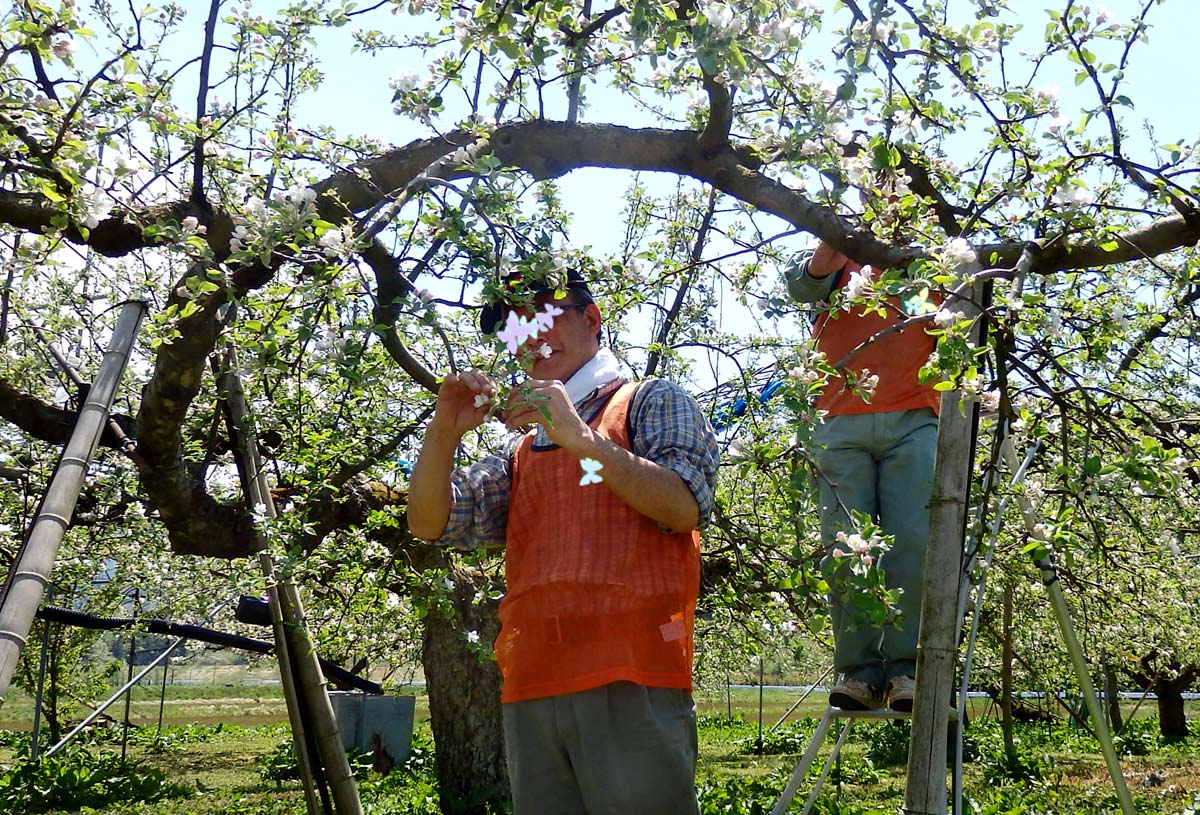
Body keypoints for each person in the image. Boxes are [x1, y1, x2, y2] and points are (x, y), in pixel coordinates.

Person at [407, 268, 720, 815]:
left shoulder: (650, 400)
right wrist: (442, 431)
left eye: (548, 314)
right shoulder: (523, 449)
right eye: (514, 327)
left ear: (592, 319)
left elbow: (684, 505)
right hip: (532, 682)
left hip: (631, 673)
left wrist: (579, 435)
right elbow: (431, 522)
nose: (532, 334)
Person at [784, 240, 940, 712]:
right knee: (845, 544)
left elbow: (928, 320)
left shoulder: (921, 263)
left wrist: (914, 262)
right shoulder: (837, 255)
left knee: (910, 542)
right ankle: (858, 674)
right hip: (839, 420)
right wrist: (844, 234)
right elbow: (804, 285)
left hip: (913, 416)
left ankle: (905, 669)